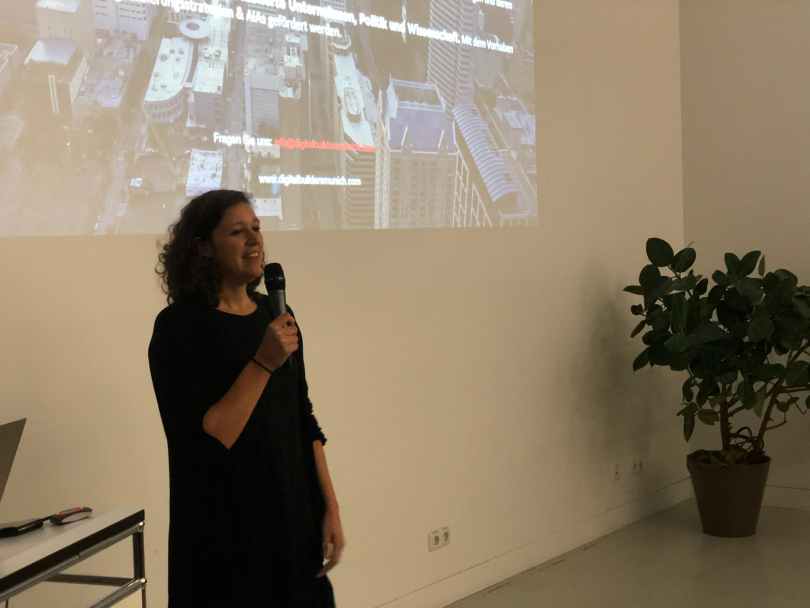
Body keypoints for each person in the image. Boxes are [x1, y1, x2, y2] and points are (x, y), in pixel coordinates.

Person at [148, 190, 344, 607]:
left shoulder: (276, 315)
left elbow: (303, 416)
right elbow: (204, 443)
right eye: (238, 231)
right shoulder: (178, 328)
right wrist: (263, 363)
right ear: (203, 247)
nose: (255, 239)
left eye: (256, 228)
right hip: (226, 539)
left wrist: (329, 506)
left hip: (292, 520)